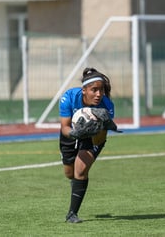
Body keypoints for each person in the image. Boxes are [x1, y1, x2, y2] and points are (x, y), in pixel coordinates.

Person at [59, 67, 116, 223]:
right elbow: (64, 127)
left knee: (81, 169)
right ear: (84, 90)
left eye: (101, 90)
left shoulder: (107, 106)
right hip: (71, 133)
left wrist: (100, 126)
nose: (99, 94)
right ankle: (77, 184)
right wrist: (75, 133)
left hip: (93, 137)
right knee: (70, 174)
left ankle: (72, 214)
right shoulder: (69, 97)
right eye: (94, 90)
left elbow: (100, 139)